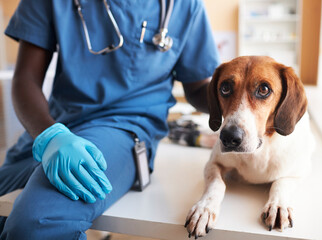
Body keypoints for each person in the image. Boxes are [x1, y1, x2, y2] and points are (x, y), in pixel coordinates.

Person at [0, 0, 220, 239]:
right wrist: (51, 134)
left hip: (123, 129)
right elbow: (25, 80)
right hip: (52, 127)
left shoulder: (183, 6)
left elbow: (197, 89)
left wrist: (238, 103)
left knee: (37, 225)